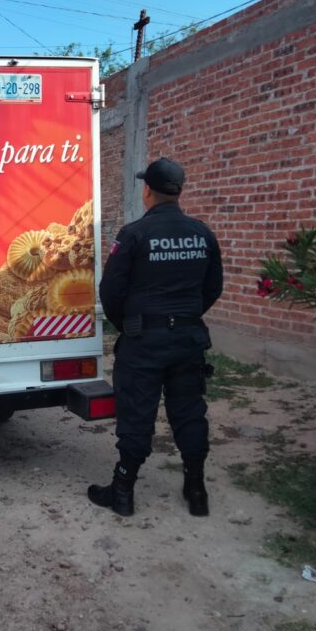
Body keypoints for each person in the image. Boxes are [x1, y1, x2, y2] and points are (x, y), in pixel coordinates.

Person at [91, 157, 223, 518]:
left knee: (137, 414)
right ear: (178, 192)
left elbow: (110, 290)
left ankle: (122, 492)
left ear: (147, 190)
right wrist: (186, 318)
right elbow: (213, 287)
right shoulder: (202, 233)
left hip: (143, 341)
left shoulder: (134, 234)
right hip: (188, 340)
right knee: (189, 412)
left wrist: (129, 324)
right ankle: (196, 491)